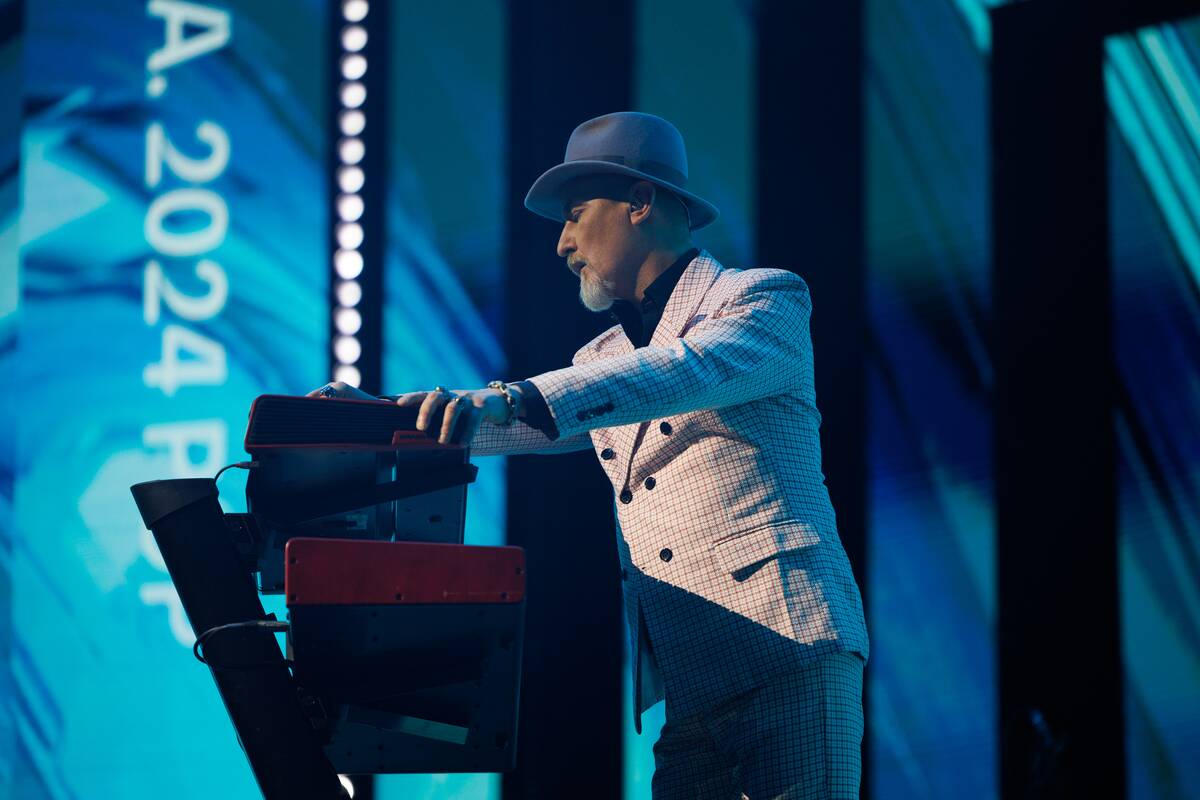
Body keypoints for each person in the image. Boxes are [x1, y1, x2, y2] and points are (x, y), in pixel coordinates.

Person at [313, 112, 868, 799]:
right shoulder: (602, 356)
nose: (563, 244)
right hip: (691, 682)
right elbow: (524, 427)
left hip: (789, 649)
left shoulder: (761, 298)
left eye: (575, 216)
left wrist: (511, 397)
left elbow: (679, 372)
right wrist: (377, 419)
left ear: (640, 201)